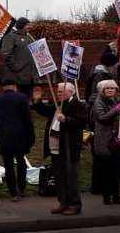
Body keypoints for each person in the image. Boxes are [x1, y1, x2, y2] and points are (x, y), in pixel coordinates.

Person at [34, 81, 88, 215]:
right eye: (57, 92)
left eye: (60, 92)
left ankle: (75, 204)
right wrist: (37, 101)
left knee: (71, 176)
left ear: (71, 92)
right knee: (59, 177)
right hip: (55, 148)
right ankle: (63, 202)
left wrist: (66, 120)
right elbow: (45, 111)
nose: (58, 94)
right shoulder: (58, 105)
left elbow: (81, 122)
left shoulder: (77, 104)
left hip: (68, 148)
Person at [0, 77, 34, 199]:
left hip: (4, 134)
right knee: (21, 162)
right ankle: (22, 188)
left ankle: (13, 192)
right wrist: (31, 137)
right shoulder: (22, 98)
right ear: (14, 86)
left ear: (3, 87)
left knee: (8, 165)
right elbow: (28, 119)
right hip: (21, 134)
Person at [89, 79, 120, 206]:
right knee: (106, 170)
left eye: (113, 88)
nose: (111, 90)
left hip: (117, 140)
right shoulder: (98, 102)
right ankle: (106, 196)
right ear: (102, 90)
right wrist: (116, 110)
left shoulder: (117, 101)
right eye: (108, 88)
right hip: (104, 140)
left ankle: (116, 195)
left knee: (116, 169)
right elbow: (102, 117)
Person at [0, 19, 37, 97]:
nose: (29, 27)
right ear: (22, 26)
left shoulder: (30, 38)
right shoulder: (10, 37)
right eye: (27, 25)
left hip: (29, 79)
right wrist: (16, 66)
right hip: (17, 78)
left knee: (27, 103)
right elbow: (6, 53)